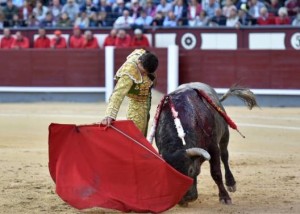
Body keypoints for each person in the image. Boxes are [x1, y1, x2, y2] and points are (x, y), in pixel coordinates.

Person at [100, 49, 159, 136]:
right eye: (142, 72)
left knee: (143, 127)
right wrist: (110, 115)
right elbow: (118, 93)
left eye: (146, 73)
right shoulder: (129, 72)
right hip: (137, 102)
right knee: (136, 132)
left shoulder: (145, 57)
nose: (143, 75)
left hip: (146, 97)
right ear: (139, 61)